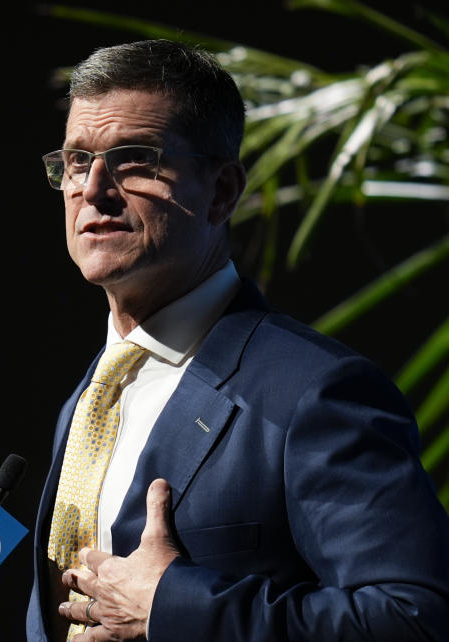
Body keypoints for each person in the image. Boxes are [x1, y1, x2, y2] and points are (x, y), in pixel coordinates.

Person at [26, 39, 449, 642]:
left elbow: (416, 619)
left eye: (134, 160)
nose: (93, 190)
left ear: (222, 191)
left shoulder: (316, 393)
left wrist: (175, 607)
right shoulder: (94, 393)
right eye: (75, 161)